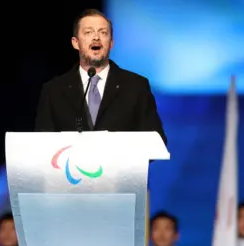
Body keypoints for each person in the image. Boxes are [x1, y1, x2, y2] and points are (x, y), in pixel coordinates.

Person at [34, 9, 166, 144]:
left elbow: (156, 142)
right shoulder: (53, 91)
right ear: (75, 42)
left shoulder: (136, 87)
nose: (96, 37)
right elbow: (42, 145)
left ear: (111, 44)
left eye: (103, 33)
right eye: (88, 32)